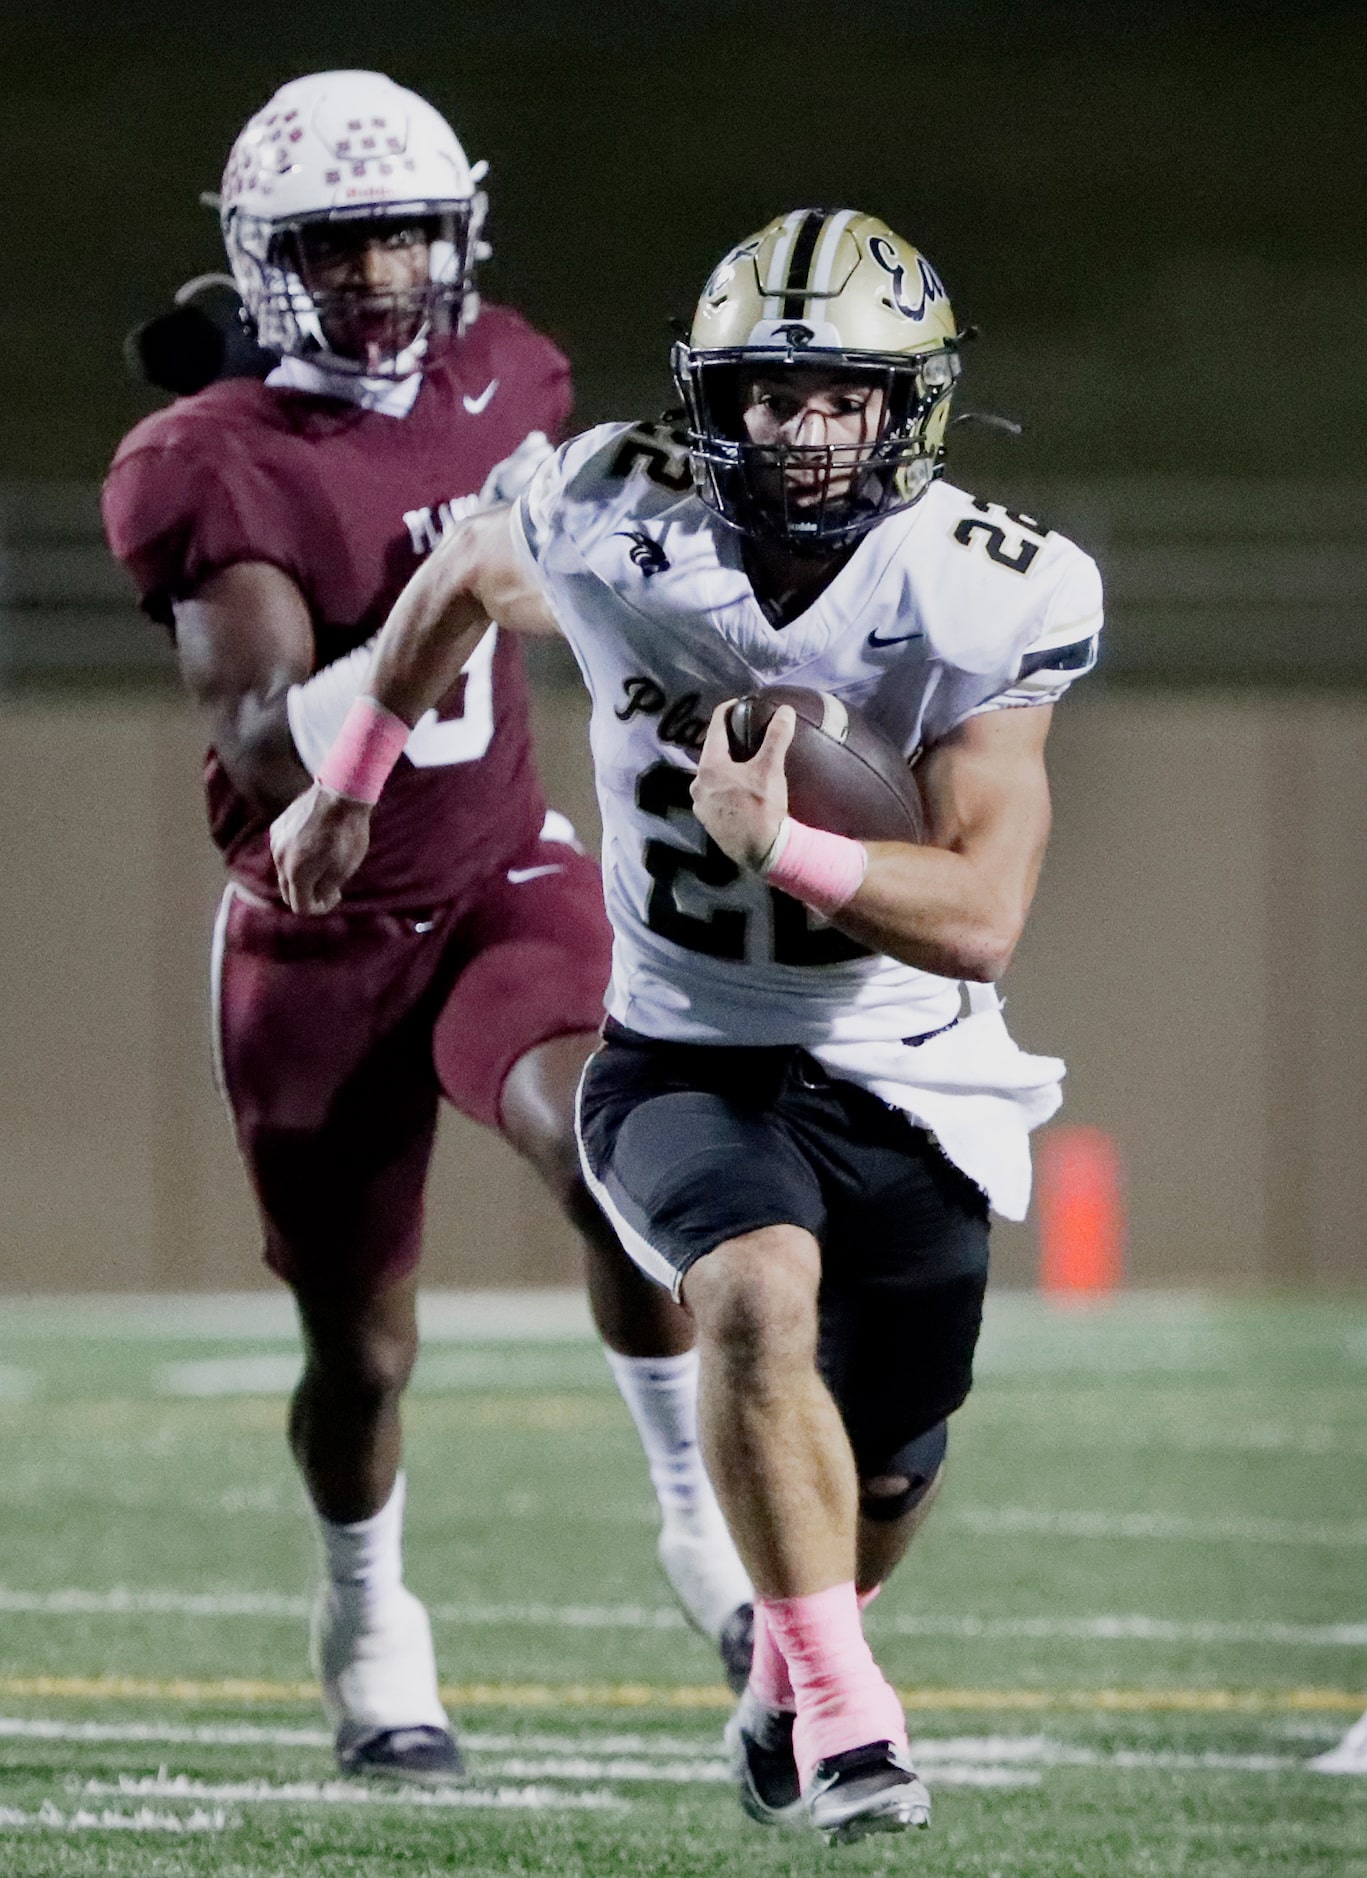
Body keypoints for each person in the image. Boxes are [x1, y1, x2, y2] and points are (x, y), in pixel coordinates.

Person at [270, 207, 1103, 1841]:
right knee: (749, 1293)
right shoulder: (610, 510)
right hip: (681, 1046)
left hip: (904, 1064)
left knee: (890, 1465)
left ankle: (788, 1674)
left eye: (839, 397)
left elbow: (985, 911)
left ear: (907, 407)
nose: (798, 431)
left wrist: (779, 841)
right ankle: (854, 1724)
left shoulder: (981, 591)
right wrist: (350, 781)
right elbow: (454, 575)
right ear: (710, 397)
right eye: (767, 395)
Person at [101, 68, 753, 1783]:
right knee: (362, 1353)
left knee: (619, 1150)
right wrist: (436, 605)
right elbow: (256, 737)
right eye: (342, 244)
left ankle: (702, 1524)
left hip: (496, 878)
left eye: (411, 233)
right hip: (314, 937)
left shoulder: (510, 371)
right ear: (266, 263)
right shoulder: (204, 463)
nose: (389, 274)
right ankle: (370, 1609)